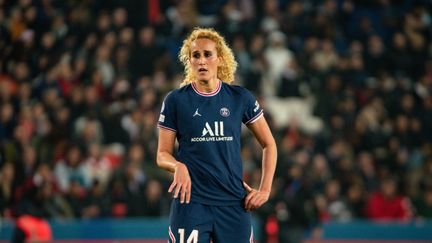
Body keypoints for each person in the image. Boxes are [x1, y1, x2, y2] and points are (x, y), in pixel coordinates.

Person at [157, 27, 277, 243]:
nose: (201, 61)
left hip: (233, 203)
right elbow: (162, 154)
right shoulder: (175, 100)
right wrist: (178, 166)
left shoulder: (240, 97)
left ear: (220, 59)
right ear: (190, 61)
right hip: (190, 203)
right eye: (196, 55)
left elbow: (269, 144)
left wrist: (265, 190)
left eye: (207, 54)